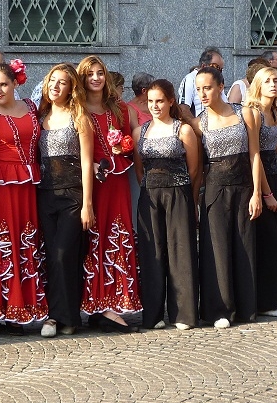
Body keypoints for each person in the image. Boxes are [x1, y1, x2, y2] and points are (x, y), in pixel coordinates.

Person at [0, 60, 49, 329]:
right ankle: (2, 307)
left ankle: (25, 304)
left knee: (28, 237)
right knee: (6, 239)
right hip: (1, 184)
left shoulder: (32, 107)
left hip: (30, 184)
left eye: (3, 84)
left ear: (15, 83)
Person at [76, 55, 141, 330]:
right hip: (93, 185)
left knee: (118, 235)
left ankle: (114, 303)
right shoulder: (77, 112)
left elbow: (131, 143)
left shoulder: (121, 109)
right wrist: (86, 201)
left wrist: (123, 147)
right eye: (90, 74)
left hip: (117, 183)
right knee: (95, 239)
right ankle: (96, 305)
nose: (95, 78)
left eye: (100, 73)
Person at [195, 65, 261, 328]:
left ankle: (246, 307)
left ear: (221, 87)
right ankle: (219, 309)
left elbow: (255, 154)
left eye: (207, 88)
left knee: (244, 246)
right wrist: (194, 201)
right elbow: (198, 166)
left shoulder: (244, 113)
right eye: (199, 89)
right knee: (216, 249)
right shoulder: (199, 122)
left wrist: (258, 193)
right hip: (214, 189)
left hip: (244, 187)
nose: (203, 93)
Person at [133, 78, 201, 331]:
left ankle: (183, 313)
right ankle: (152, 314)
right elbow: (140, 170)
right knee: (152, 253)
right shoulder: (140, 131)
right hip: (149, 197)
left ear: (171, 101)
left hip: (178, 193)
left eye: (160, 101)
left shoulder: (183, 130)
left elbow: (194, 169)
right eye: (150, 101)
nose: (155, 106)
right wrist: (151, 187)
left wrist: (187, 197)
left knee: (180, 251)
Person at [36, 63, 94, 338]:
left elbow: (86, 162)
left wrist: (87, 205)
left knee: (63, 255)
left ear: (72, 88)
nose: (55, 86)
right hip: (46, 195)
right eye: (52, 81)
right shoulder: (40, 116)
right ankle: (68, 317)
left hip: (73, 196)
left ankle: (54, 317)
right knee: (53, 257)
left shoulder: (79, 118)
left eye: (62, 82)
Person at [247, 66, 277, 317]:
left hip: (274, 175)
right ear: (258, 84)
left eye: (276, 80)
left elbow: (274, 151)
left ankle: (273, 298)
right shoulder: (255, 113)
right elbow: (256, 155)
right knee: (265, 242)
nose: (273, 84)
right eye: (268, 80)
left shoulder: (276, 112)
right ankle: (262, 302)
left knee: (276, 243)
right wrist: (265, 193)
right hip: (259, 181)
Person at [178, 47, 226, 117]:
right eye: (216, 67)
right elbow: (183, 108)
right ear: (204, 66)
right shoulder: (190, 78)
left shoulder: (217, 80)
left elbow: (225, 103)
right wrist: (197, 126)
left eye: (221, 69)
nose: (218, 72)